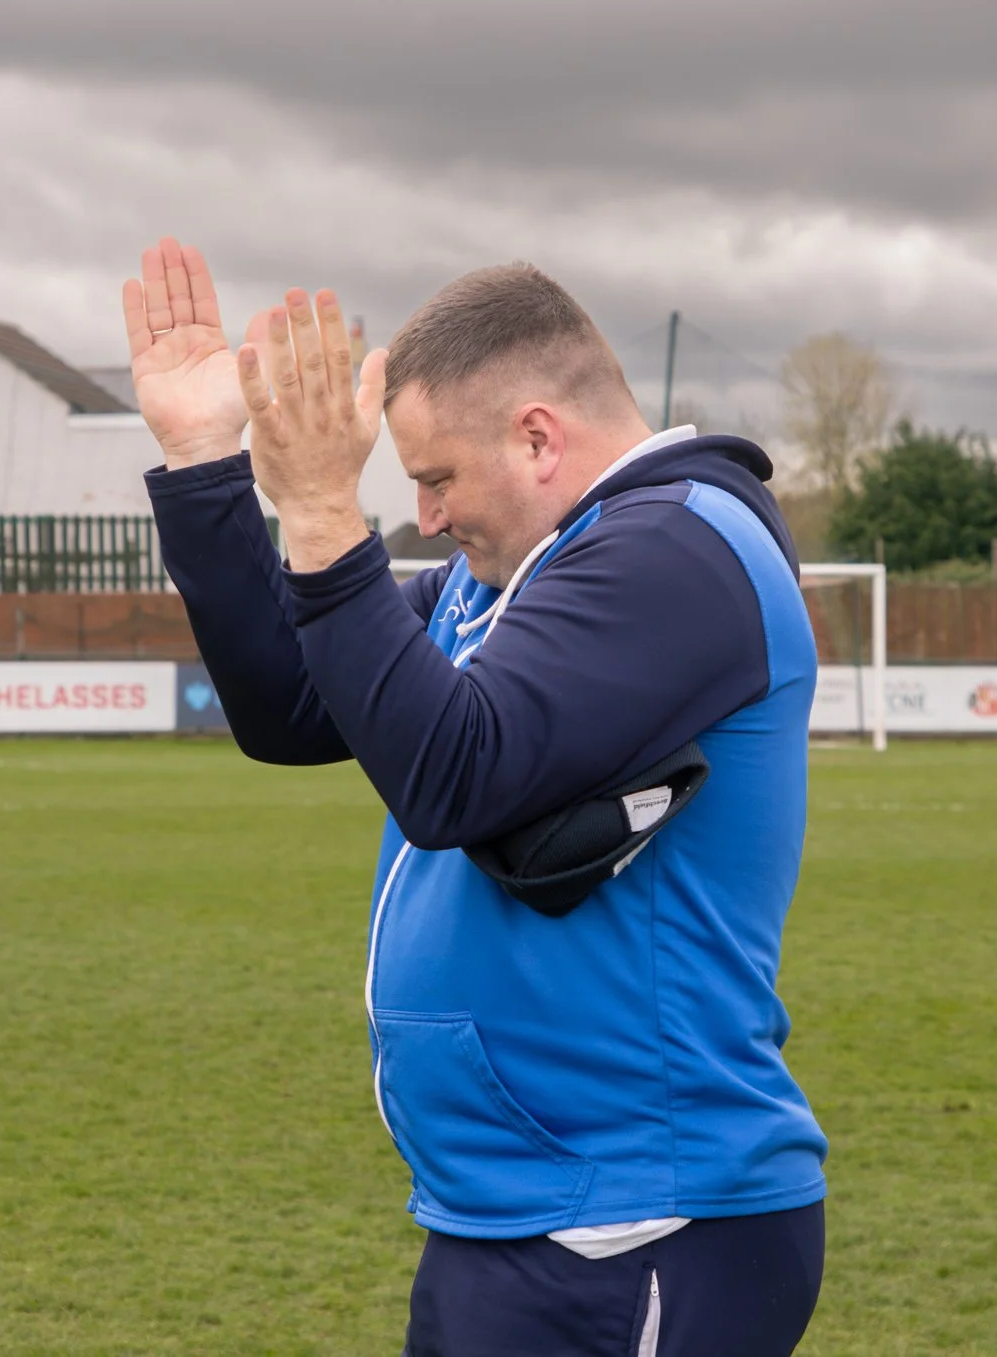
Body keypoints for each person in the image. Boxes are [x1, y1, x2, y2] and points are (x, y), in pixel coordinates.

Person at [123, 237, 826, 1357]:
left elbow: (454, 775)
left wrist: (318, 513)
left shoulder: (678, 547)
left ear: (537, 436)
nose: (429, 517)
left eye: (436, 479)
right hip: (509, 1212)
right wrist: (208, 464)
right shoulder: (507, 577)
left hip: (642, 1221)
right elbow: (289, 708)